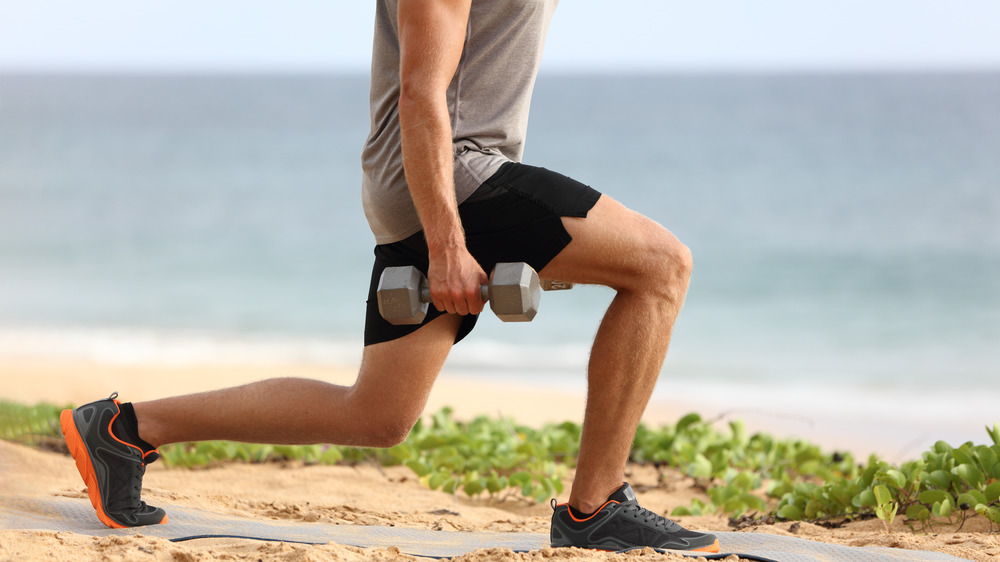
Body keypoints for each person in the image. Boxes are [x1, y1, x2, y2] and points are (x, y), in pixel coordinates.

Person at [60, 0, 719, 553]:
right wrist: (448, 245)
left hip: (432, 184)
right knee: (662, 266)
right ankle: (594, 509)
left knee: (378, 414)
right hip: (455, 176)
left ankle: (125, 429)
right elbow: (420, 92)